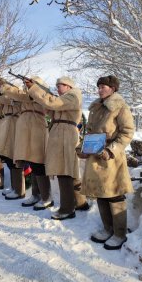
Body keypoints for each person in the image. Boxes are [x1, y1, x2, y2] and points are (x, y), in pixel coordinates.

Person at [81, 75, 134, 250]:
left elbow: (127, 132)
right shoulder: (96, 107)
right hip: (95, 157)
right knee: (101, 193)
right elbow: (89, 132)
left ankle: (119, 233)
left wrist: (111, 150)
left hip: (111, 159)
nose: (100, 89)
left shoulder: (120, 107)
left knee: (114, 194)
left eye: (104, 86)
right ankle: (107, 229)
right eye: (99, 86)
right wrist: (82, 147)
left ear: (113, 88)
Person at [27, 76, 89, 219]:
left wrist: (35, 89)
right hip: (60, 133)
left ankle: (67, 209)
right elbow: (50, 109)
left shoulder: (73, 96)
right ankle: (80, 203)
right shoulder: (66, 99)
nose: (57, 88)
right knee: (67, 170)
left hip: (65, 134)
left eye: (60, 85)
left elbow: (53, 103)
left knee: (64, 171)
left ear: (68, 86)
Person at [0, 77, 53, 209]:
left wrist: (5, 86)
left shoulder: (40, 93)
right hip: (26, 127)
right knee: (33, 162)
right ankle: (36, 195)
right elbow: (15, 98)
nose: (26, 84)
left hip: (36, 126)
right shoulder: (29, 94)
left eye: (29, 82)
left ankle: (46, 197)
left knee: (39, 162)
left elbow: (23, 96)